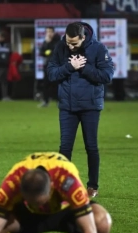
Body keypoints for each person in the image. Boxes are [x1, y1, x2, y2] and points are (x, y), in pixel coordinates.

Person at [0, 152, 112, 233]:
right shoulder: (12, 182)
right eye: (31, 202)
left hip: (64, 210)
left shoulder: (67, 179)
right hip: (28, 215)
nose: (38, 207)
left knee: (101, 222)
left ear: (51, 188)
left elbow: (90, 231)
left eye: (41, 203)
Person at [47, 22, 114, 197]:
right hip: (67, 106)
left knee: (91, 147)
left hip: (90, 106)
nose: (70, 46)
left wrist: (84, 67)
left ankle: (92, 186)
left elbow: (107, 76)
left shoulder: (98, 49)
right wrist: (70, 67)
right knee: (65, 147)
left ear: (83, 38)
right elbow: (51, 73)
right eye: (68, 42)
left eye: (74, 43)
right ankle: (62, 185)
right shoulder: (61, 47)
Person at [38, 26, 61, 107]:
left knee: (57, 84)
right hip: (47, 65)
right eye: (47, 32)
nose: (49, 33)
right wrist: (47, 45)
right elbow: (41, 52)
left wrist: (49, 48)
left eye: (50, 32)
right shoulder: (46, 41)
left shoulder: (58, 41)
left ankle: (59, 101)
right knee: (46, 84)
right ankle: (45, 101)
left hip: (56, 65)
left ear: (53, 32)